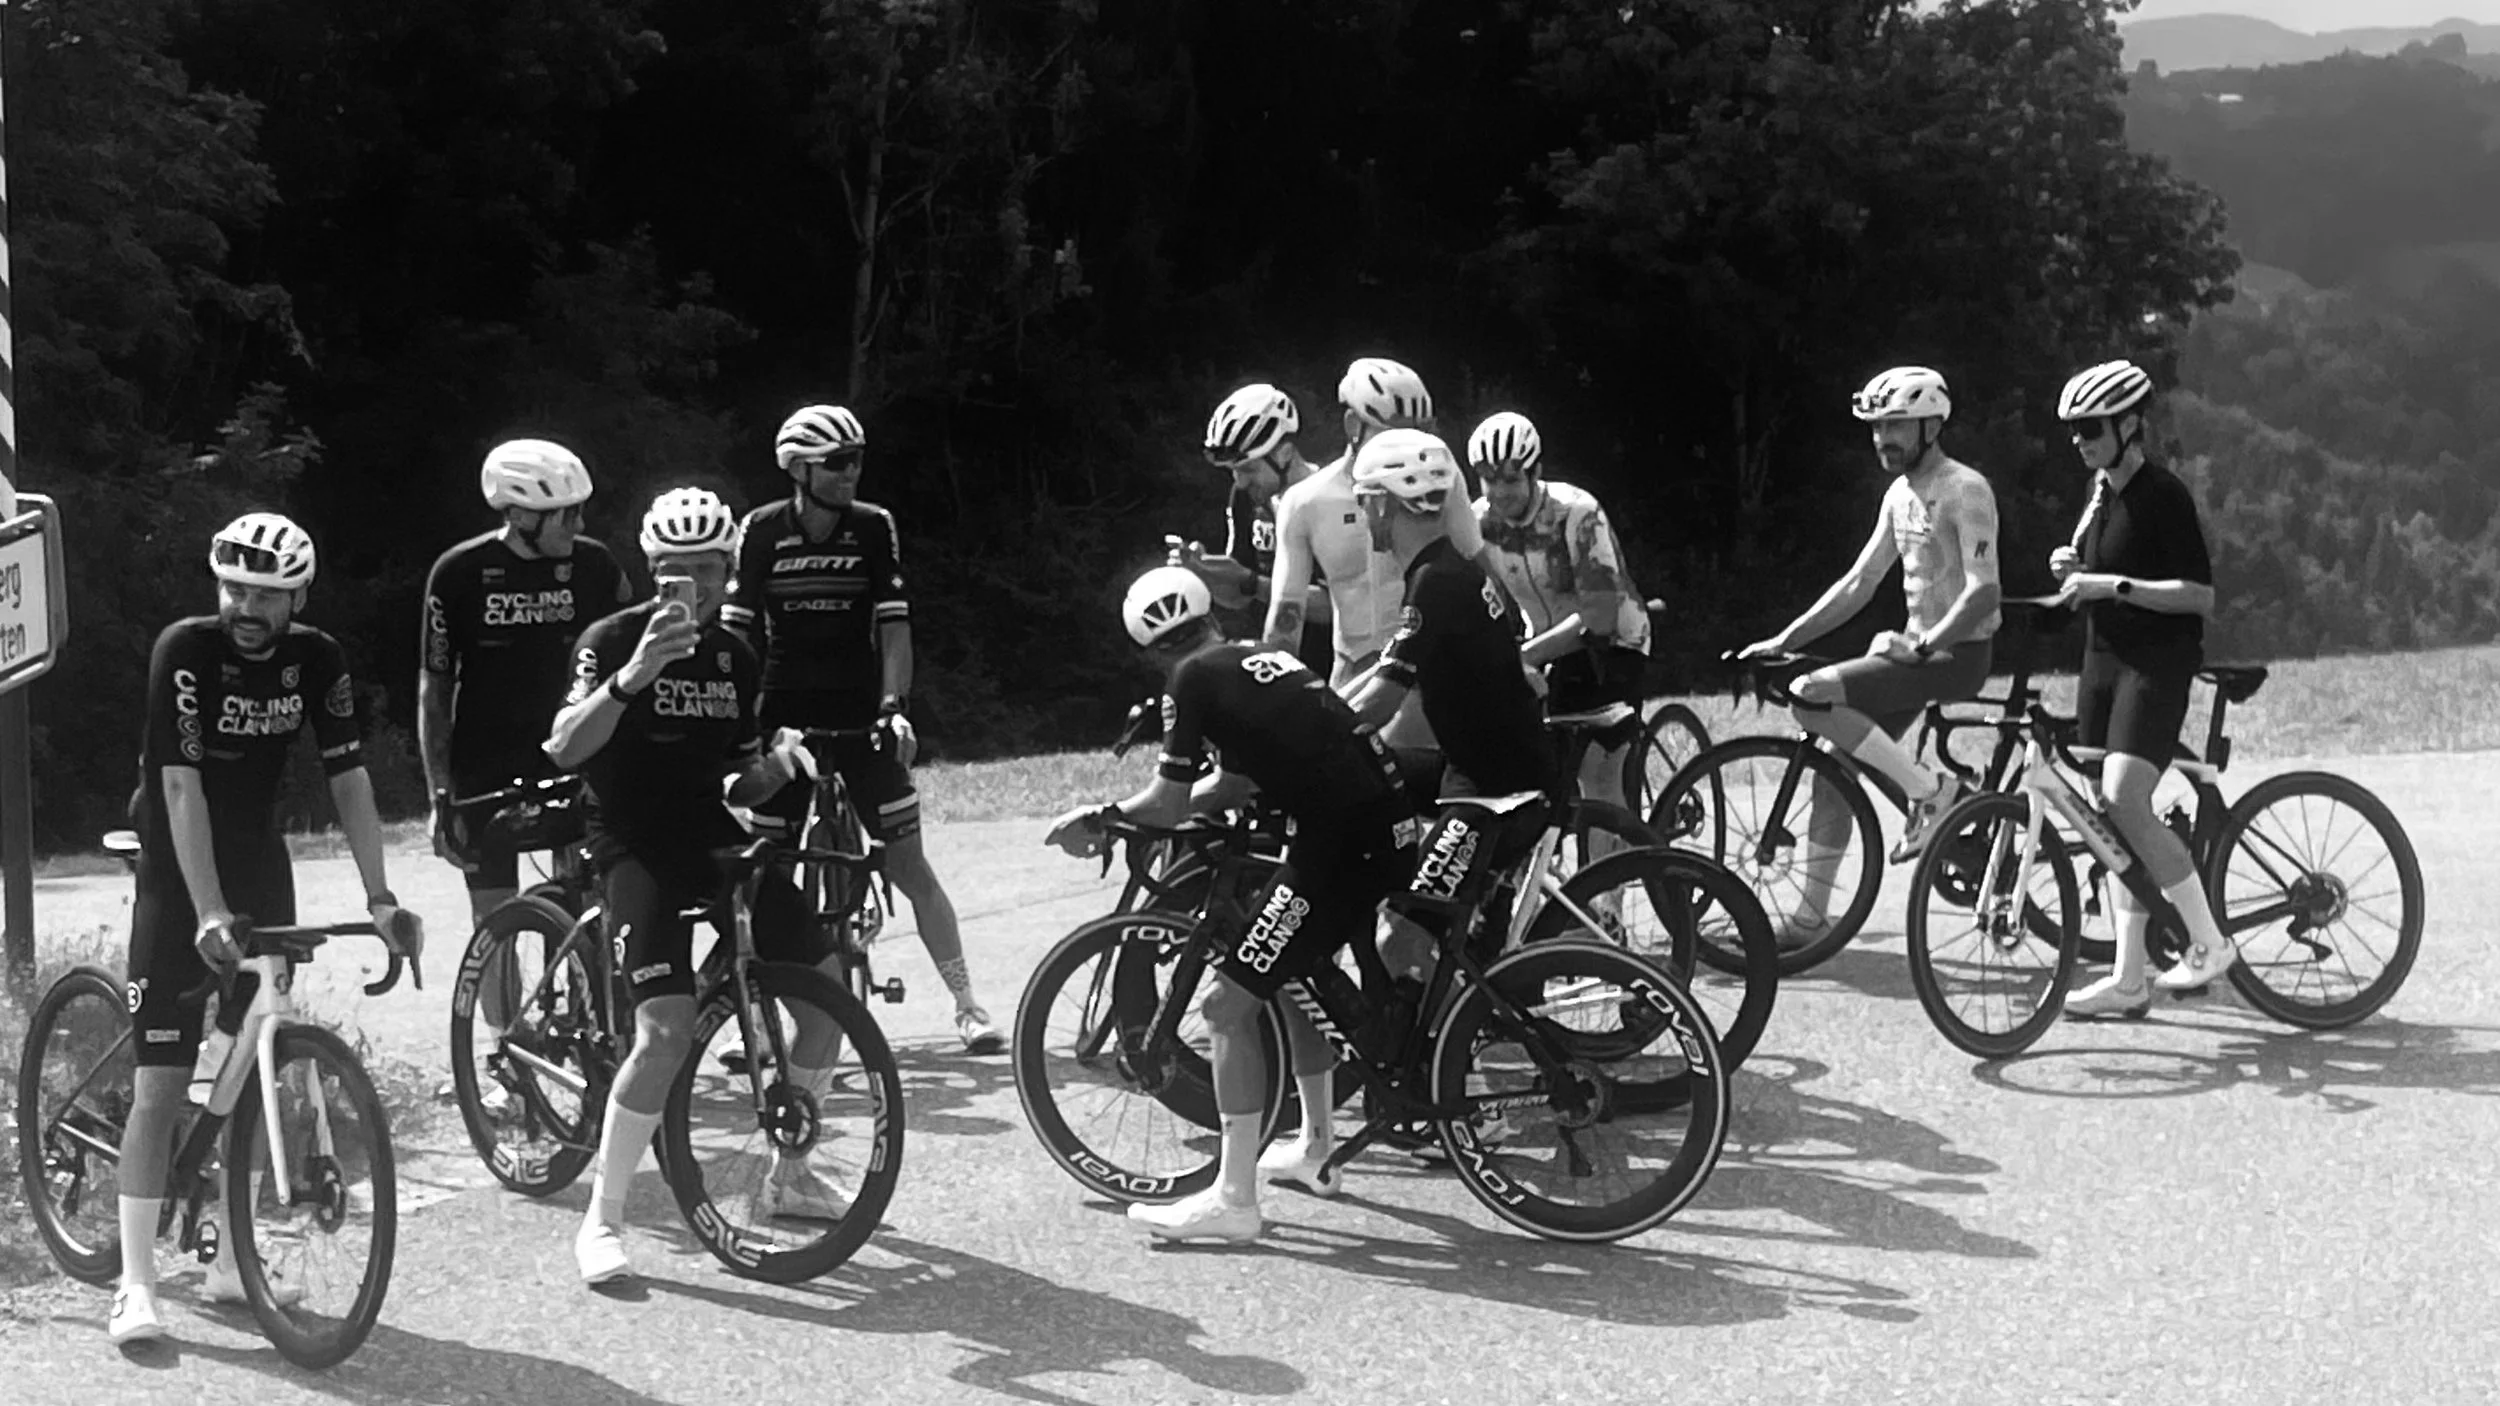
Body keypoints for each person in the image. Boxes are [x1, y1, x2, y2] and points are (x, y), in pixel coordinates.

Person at [110, 513, 424, 1344]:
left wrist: (382, 895)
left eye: (267, 594)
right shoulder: (186, 648)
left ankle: (229, 1256)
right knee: (163, 1083)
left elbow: (348, 775)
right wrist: (208, 910)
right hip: (179, 866)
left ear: (298, 598)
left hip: (258, 859)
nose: (247, 606)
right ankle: (136, 1283)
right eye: (235, 588)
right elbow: (180, 789)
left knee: (253, 1062)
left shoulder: (316, 660)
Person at [1042, 566, 1416, 1242]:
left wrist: (1101, 817)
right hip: (1376, 827)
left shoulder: (1187, 682)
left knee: (1226, 1003)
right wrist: (1143, 814)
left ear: (1149, 649)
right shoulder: (1255, 655)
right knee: (1294, 978)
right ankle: (1317, 1148)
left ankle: (1234, 1200)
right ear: (1210, 615)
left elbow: (1168, 801)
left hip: (1338, 845)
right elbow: (1237, 782)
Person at [546, 487, 845, 1284]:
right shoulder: (612, 638)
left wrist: (779, 767)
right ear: (653, 573)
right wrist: (636, 672)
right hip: (631, 840)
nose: (696, 588)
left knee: (828, 991)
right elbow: (564, 746)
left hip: (710, 832)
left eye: (709, 571)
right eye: (677, 573)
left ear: (729, 572)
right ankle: (601, 1222)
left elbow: (738, 785)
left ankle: (788, 1171)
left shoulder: (736, 656)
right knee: (666, 1031)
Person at [723, 405, 1001, 1053]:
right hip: (784, 716)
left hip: (859, 709)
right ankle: (763, 1022)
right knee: (767, 872)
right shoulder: (761, 531)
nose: (852, 473)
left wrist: (893, 706)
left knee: (908, 863)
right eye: (837, 463)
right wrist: (738, 722)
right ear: (799, 470)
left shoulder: (874, 528)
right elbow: (736, 633)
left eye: (857, 459)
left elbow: (894, 625)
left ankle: (967, 1004)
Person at [1739, 366, 2002, 944]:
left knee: (1811, 695)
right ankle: (1810, 922)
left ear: (1932, 426)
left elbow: (1984, 588)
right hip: (1917, 654)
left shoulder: (1965, 488)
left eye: (1897, 426)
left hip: (1957, 655)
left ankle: (1934, 794)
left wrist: (1928, 643)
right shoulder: (1900, 493)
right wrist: (1786, 640)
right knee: (1831, 770)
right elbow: (1860, 582)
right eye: (1877, 427)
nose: (1883, 438)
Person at [418, 439, 632, 1077]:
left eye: (579, 512)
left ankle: (598, 1026)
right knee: (495, 918)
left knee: (593, 902)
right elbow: (434, 688)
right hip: (485, 768)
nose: (580, 525)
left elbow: (631, 657)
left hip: (575, 757)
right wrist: (439, 792)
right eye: (567, 515)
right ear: (521, 516)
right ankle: (503, 1047)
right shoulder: (456, 574)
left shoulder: (595, 567)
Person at [2048, 360, 2237, 1015]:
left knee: (2126, 797)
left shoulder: (2163, 494)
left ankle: (2209, 942)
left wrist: (2111, 586)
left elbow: (2200, 596)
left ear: (2129, 425)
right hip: (2102, 660)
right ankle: (2130, 979)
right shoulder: (2100, 493)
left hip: (2156, 662)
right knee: (2109, 820)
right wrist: (2073, 567)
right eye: (2073, 430)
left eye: (2091, 428)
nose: (2080, 440)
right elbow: (2099, 569)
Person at [1261, 358, 1492, 727]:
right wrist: (1268, 700)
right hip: (1349, 672)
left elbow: (1480, 573)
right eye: (1393, 433)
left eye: (1420, 434)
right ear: (1353, 426)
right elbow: (1287, 615)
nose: (1411, 446)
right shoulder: (1305, 501)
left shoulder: (1441, 479)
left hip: (1422, 676)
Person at [1344, 429, 1551, 802]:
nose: (1362, 516)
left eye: (1362, 502)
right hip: (1481, 764)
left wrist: (1303, 738)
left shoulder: (1435, 583)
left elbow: (1382, 701)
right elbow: (1387, 669)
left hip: (1495, 789)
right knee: (1362, 776)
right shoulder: (1446, 566)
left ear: (1380, 504)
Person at [1466, 409, 1654, 818]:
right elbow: (1485, 604)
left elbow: (1598, 617)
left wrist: (1524, 658)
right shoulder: (1478, 522)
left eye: (1511, 479)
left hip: (1614, 641)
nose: (1500, 492)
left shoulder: (1577, 513)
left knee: (1599, 771)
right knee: (1534, 764)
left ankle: (1610, 877)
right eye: (1489, 479)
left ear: (1535, 473)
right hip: (1547, 646)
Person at [1174, 382, 1330, 669]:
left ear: (1284, 454)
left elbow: (1337, 608)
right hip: (1280, 663)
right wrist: (1204, 574)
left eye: (1248, 469)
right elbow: (1239, 599)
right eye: (1233, 471)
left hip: (1335, 665)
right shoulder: (1245, 497)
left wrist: (1251, 582)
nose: (1241, 482)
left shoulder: (1330, 501)